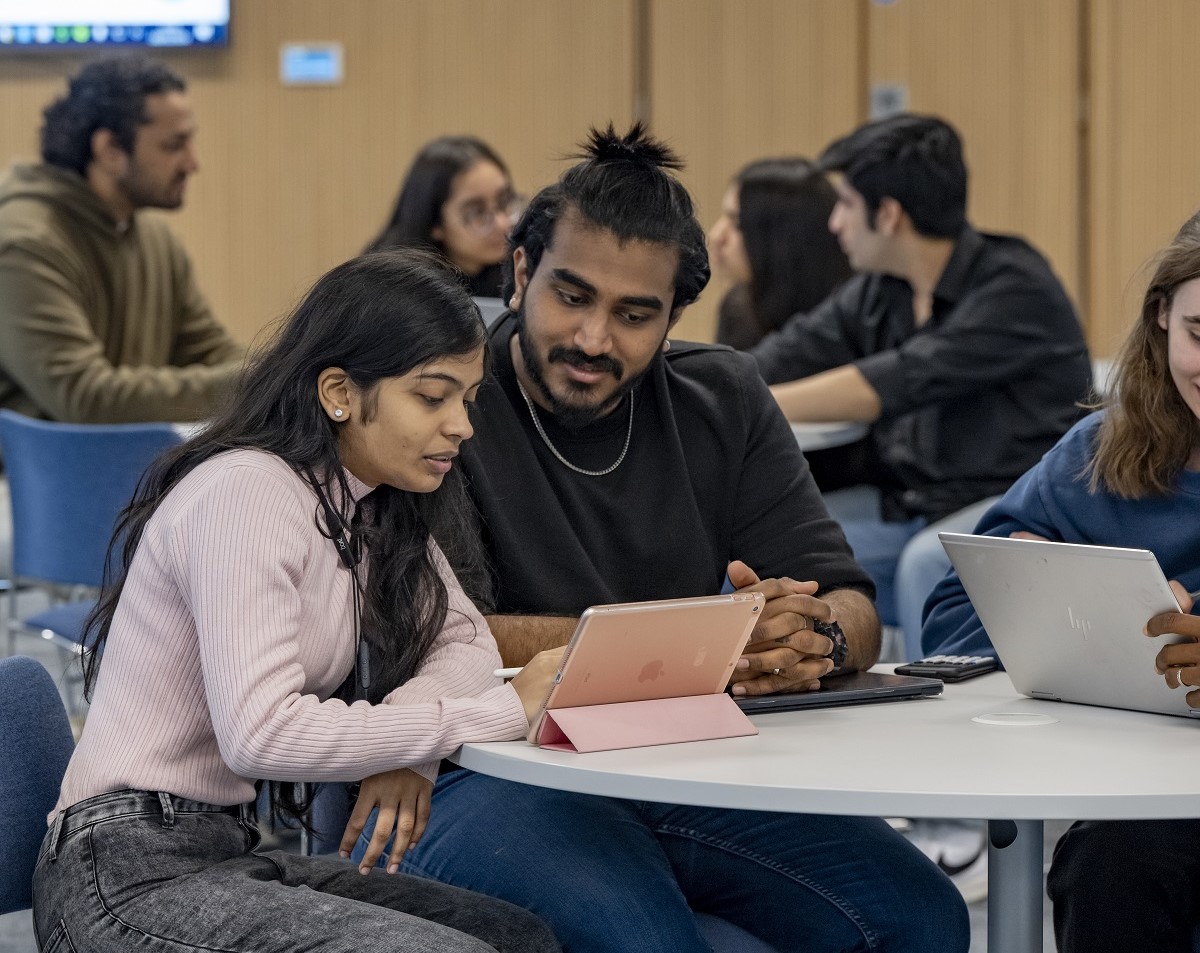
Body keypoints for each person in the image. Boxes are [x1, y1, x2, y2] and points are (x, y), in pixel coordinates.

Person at [355, 124, 970, 953]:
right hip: (473, 767)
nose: (594, 339)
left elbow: (848, 601)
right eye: (571, 296)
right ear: (522, 272)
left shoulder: (724, 394)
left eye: (635, 314)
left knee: (922, 917)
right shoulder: (447, 397)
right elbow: (441, 628)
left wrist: (802, 638)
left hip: (675, 762)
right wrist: (704, 645)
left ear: (674, 317)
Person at [31, 250, 562, 953]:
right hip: (122, 872)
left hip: (223, 850)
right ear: (339, 391)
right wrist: (494, 711)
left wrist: (407, 746)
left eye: (467, 397)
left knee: (515, 935)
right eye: (433, 397)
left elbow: (465, 643)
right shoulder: (247, 491)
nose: (462, 424)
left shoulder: (370, 509)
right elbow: (261, 731)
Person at [922, 210, 1200, 953]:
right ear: (1163, 318)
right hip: (1140, 797)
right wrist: (1060, 608)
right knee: (1109, 862)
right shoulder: (1101, 454)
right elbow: (951, 615)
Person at [749, 114, 1091, 651]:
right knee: (772, 560)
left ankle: (925, 715)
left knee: (925, 562)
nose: (834, 223)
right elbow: (785, 353)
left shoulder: (1015, 287)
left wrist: (748, 403)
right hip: (913, 509)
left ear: (887, 214)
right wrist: (707, 378)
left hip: (1014, 512)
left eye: (844, 205)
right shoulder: (881, 292)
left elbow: (896, 381)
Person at [0, 55, 243, 425]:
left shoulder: (155, 239)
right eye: (173, 145)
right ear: (110, 150)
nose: (192, 163)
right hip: (40, 478)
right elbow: (85, 397)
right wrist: (254, 386)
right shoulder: (25, 244)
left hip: (132, 467)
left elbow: (207, 349)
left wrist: (285, 376)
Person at [707, 156, 852, 350]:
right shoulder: (738, 307)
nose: (716, 235)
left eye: (737, 223)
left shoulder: (849, 312)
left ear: (784, 236)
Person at [365, 135, 519, 298]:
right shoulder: (390, 288)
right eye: (477, 212)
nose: (502, 223)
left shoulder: (520, 272)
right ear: (434, 222)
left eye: (504, 201)